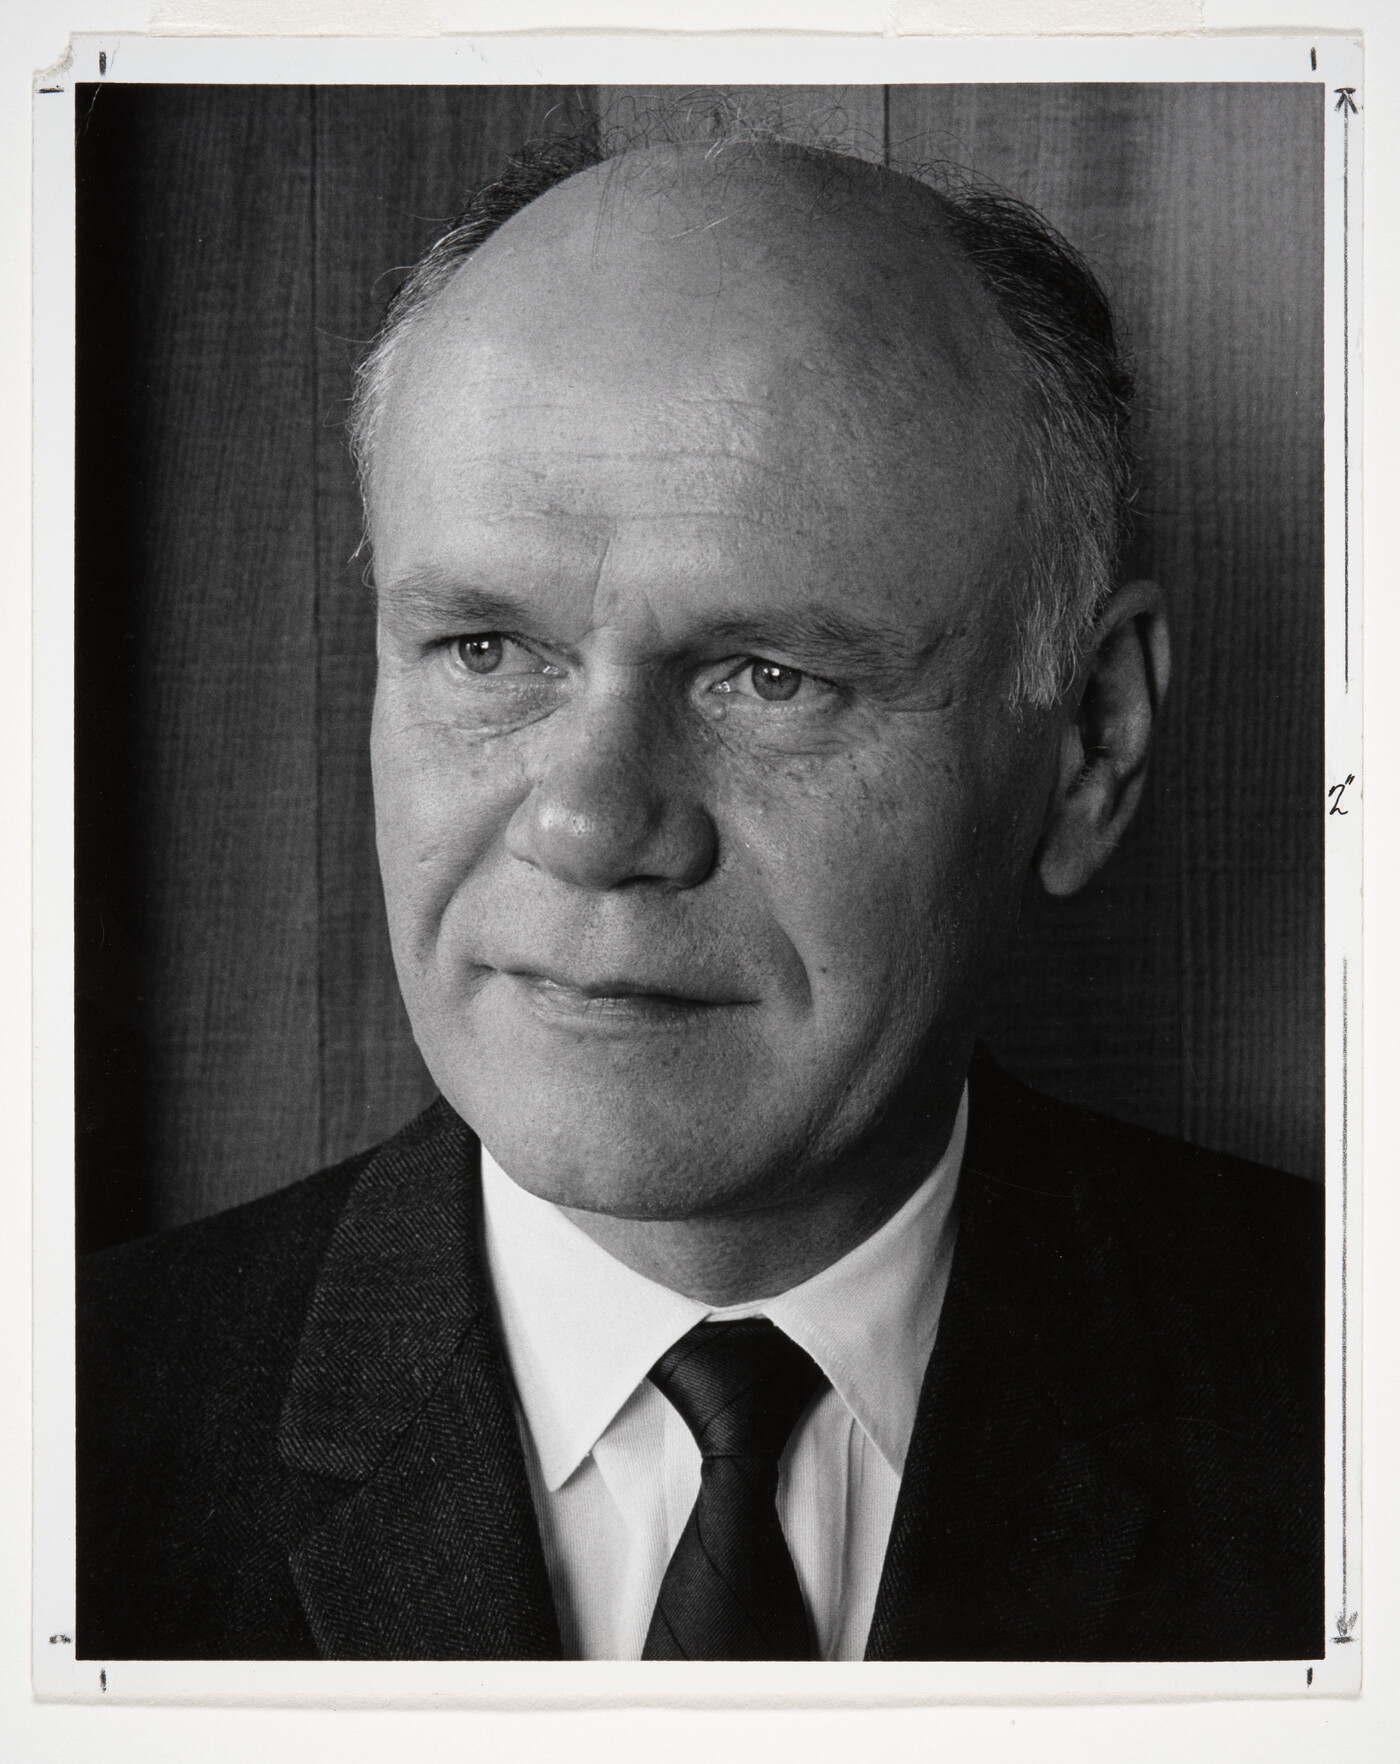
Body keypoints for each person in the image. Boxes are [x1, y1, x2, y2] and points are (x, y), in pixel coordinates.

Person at [77, 133, 1323, 1664]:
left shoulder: (1343, 1406)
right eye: (485, 651)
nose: (590, 824)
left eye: (768, 676)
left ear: (1090, 745)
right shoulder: (64, 1440)